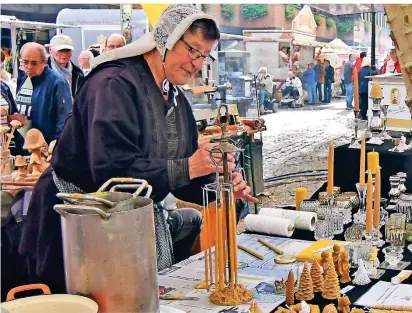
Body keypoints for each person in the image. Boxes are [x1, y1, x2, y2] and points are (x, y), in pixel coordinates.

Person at [19, 4, 257, 294]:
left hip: (125, 226)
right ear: (166, 40)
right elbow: (111, 173)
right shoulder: (114, 84)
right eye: (193, 50)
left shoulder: (176, 100)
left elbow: (180, 176)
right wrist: (192, 166)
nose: (197, 63)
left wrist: (219, 183)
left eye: (204, 55)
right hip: (76, 226)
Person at [15, 43, 72, 144]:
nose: (29, 67)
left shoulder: (58, 83)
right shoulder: (23, 79)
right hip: (22, 146)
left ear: (44, 62)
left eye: (34, 63)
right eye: (25, 62)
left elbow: (64, 121)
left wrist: (55, 148)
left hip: (45, 147)